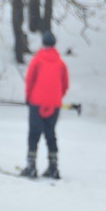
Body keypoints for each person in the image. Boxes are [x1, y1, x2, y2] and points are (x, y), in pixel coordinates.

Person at [20, 30, 69, 180]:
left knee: (34, 134)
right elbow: (65, 84)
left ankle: (31, 166)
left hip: (36, 102)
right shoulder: (61, 63)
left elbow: (30, 80)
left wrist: (28, 97)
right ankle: (53, 166)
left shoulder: (37, 60)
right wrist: (56, 98)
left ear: (43, 43)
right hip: (54, 104)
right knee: (50, 133)